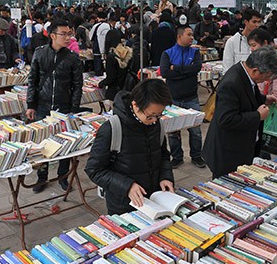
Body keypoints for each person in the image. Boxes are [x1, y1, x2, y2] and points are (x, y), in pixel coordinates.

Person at [85, 79, 175, 214]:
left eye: (159, 115)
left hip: (156, 198)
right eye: (150, 116)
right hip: (124, 204)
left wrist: (166, 176)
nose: (155, 120)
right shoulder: (112, 128)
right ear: (135, 105)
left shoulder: (157, 125)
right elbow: (94, 170)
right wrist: (127, 186)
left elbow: (163, 156)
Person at [203, 46, 277, 178]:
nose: (267, 81)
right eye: (267, 76)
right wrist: (257, 116)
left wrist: (264, 99)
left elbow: (247, 96)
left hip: (240, 147)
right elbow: (226, 119)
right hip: (227, 152)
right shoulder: (232, 83)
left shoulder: (245, 73)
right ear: (256, 70)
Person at [26, 20, 83, 193]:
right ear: (52, 36)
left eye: (69, 34)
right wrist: (30, 104)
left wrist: (74, 109)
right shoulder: (40, 53)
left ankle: (63, 176)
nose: (68, 38)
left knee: (65, 144)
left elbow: (77, 85)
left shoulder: (73, 57)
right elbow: (32, 80)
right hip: (43, 106)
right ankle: (41, 177)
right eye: (63, 34)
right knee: (43, 143)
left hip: (64, 106)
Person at [160, 25, 206, 169]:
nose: (192, 37)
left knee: (196, 130)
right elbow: (165, 72)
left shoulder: (195, 52)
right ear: (179, 36)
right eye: (189, 34)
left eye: (192, 35)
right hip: (173, 98)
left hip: (191, 97)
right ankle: (177, 157)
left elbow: (197, 68)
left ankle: (196, 156)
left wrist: (178, 69)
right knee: (173, 132)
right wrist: (187, 70)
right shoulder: (168, 53)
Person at [222, 9, 263, 74]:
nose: (257, 25)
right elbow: (227, 67)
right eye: (254, 22)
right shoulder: (232, 41)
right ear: (246, 22)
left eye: (259, 22)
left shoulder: (261, 41)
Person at [98, 29, 132, 102]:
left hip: (114, 92)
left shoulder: (111, 57)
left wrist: (101, 83)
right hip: (127, 88)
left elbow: (111, 77)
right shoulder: (128, 52)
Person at [89, 11, 111, 76]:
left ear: (98, 18)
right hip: (108, 49)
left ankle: (98, 78)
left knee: (97, 64)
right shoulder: (109, 26)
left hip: (97, 48)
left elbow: (90, 37)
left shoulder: (96, 26)